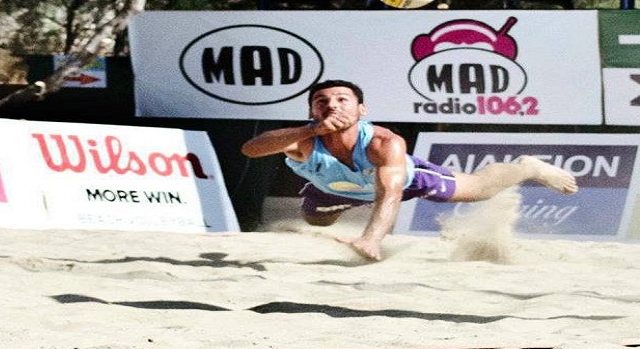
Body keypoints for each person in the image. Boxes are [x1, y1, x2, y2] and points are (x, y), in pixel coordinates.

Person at [241, 79, 578, 261]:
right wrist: (312, 130)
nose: (332, 105)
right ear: (312, 110)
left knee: (479, 189)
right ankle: (339, 209)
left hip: (407, 180)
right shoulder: (303, 140)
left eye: (342, 99)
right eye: (322, 101)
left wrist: (371, 239)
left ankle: (527, 167)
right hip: (332, 188)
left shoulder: (384, 143)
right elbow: (251, 149)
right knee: (316, 219)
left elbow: (389, 196)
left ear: (362, 109)